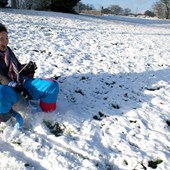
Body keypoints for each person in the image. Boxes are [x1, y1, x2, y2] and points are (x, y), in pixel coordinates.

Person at [0, 23, 59, 129]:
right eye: (1, 39)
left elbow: (16, 69)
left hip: (20, 83)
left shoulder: (7, 51)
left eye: (6, 37)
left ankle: (47, 116)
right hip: (5, 92)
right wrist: (15, 86)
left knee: (51, 86)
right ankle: (7, 122)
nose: (5, 41)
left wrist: (26, 68)